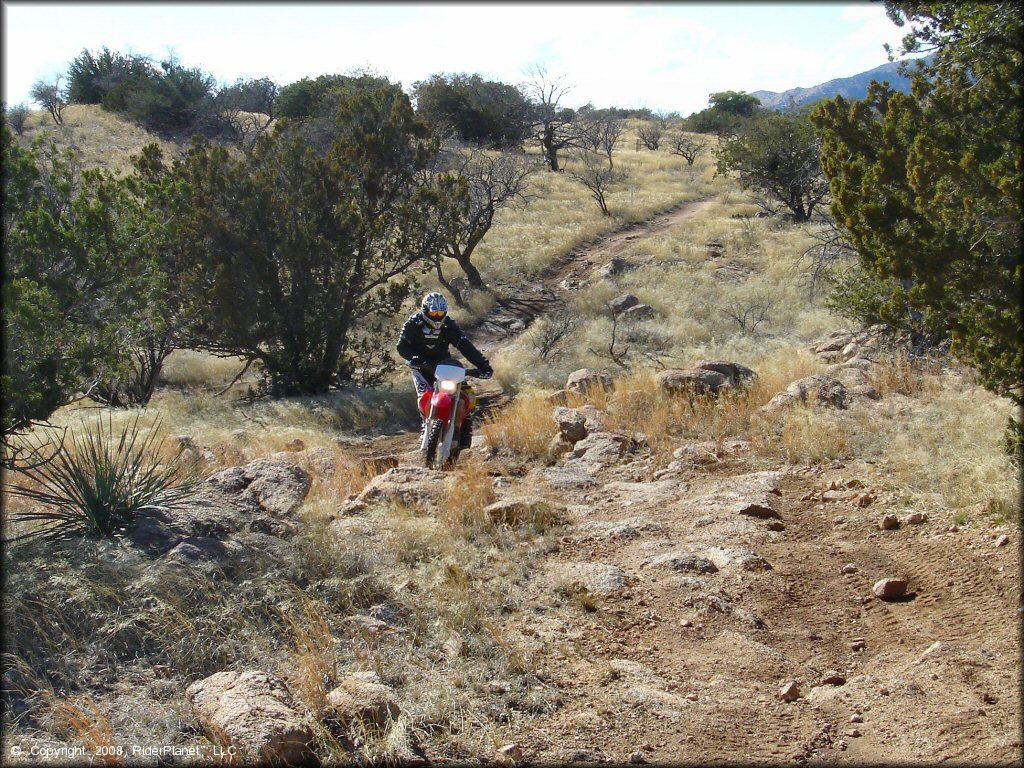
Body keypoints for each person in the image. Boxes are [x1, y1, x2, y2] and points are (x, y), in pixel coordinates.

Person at [396, 292, 492, 448]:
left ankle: (464, 430)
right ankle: (425, 424)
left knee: (465, 395)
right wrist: (413, 357)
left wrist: (483, 364)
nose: (437, 316)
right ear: (425, 310)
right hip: (421, 366)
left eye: (440, 312)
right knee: (424, 395)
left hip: (443, 365)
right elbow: (401, 346)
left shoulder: (448, 325)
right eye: (434, 312)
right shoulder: (414, 323)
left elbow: (465, 346)